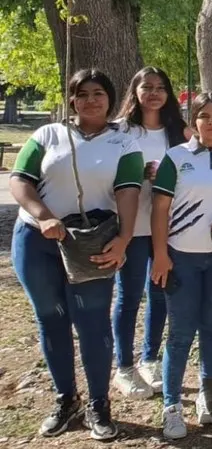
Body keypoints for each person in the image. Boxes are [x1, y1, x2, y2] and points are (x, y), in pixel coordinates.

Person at [11, 69, 142, 440]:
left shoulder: (124, 144)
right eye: (81, 94)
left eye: (98, 93)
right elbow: (20, 179)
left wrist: (125, 240)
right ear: (72, 100)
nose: (90, 100)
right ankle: (66, 399)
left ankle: (99, 404)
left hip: (93, 244)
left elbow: (128, 191)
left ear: (110, 98)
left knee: (93, 322)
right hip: (38, 240)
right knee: (51, 318)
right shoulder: (48, 134)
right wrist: (44, 218)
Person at [149, 92, 212, 439]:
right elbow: (160, 208)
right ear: (193, 121)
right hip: (181, 258)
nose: (211, 121)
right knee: (180, 333)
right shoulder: (176, 157)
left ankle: (208, 395)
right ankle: (172, 405)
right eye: (203, 115)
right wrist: (161, 254)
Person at [111, 67, 190, 398]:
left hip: (167, 227)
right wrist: (135, 172)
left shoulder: (179, 132)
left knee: (159, 293)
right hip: (129, 227)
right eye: (147, 87)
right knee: (128, 296)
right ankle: (124, 367)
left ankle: (150, 359)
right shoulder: (120, 130)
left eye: (161, 87)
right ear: (135, 91)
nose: (154, 93)